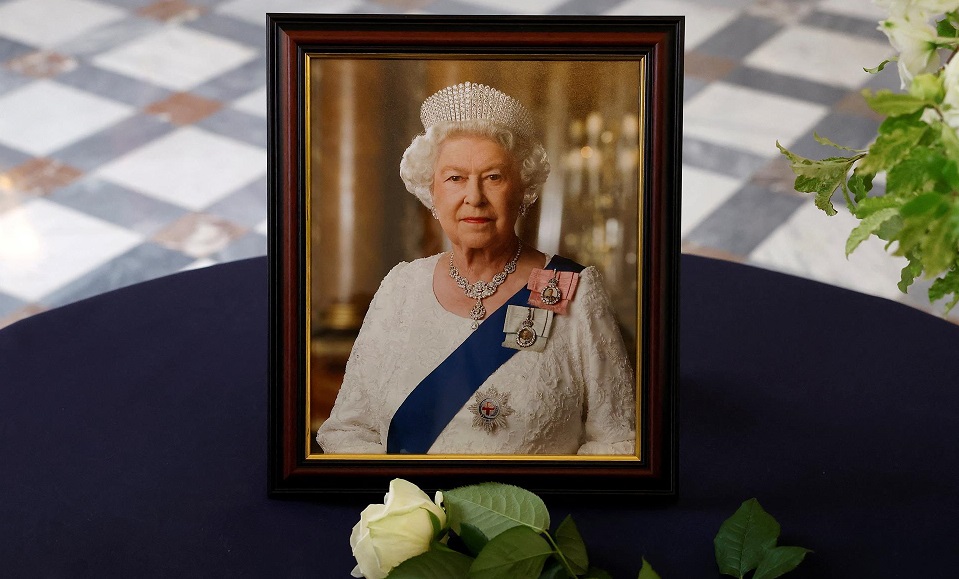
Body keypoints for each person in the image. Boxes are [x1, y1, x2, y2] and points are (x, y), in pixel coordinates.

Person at [316, 82, 635, 455]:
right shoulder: (400, 287)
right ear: (431, 192)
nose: (474, 197)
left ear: (523, 191)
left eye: (493, 177)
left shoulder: (570, 289)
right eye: (455, 178)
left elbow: (617, 442)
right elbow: (348, 430)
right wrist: (410, 509)